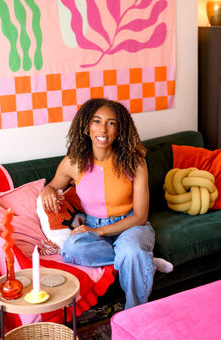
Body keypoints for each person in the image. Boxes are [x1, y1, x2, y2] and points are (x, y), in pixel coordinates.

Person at [40, 98, 173, 309]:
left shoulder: (135, 162)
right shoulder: (73, 162)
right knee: (72, 248)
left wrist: (98, 232)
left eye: (111, 123)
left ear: (119, 130)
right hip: (92, 224)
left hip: (130, 224)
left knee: (130, 249)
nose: (103, 129)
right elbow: (53, 186)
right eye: (97, 121)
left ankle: (134, 313)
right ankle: (142, 261)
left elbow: (140, 216)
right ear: (86, 127)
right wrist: (47, 189)